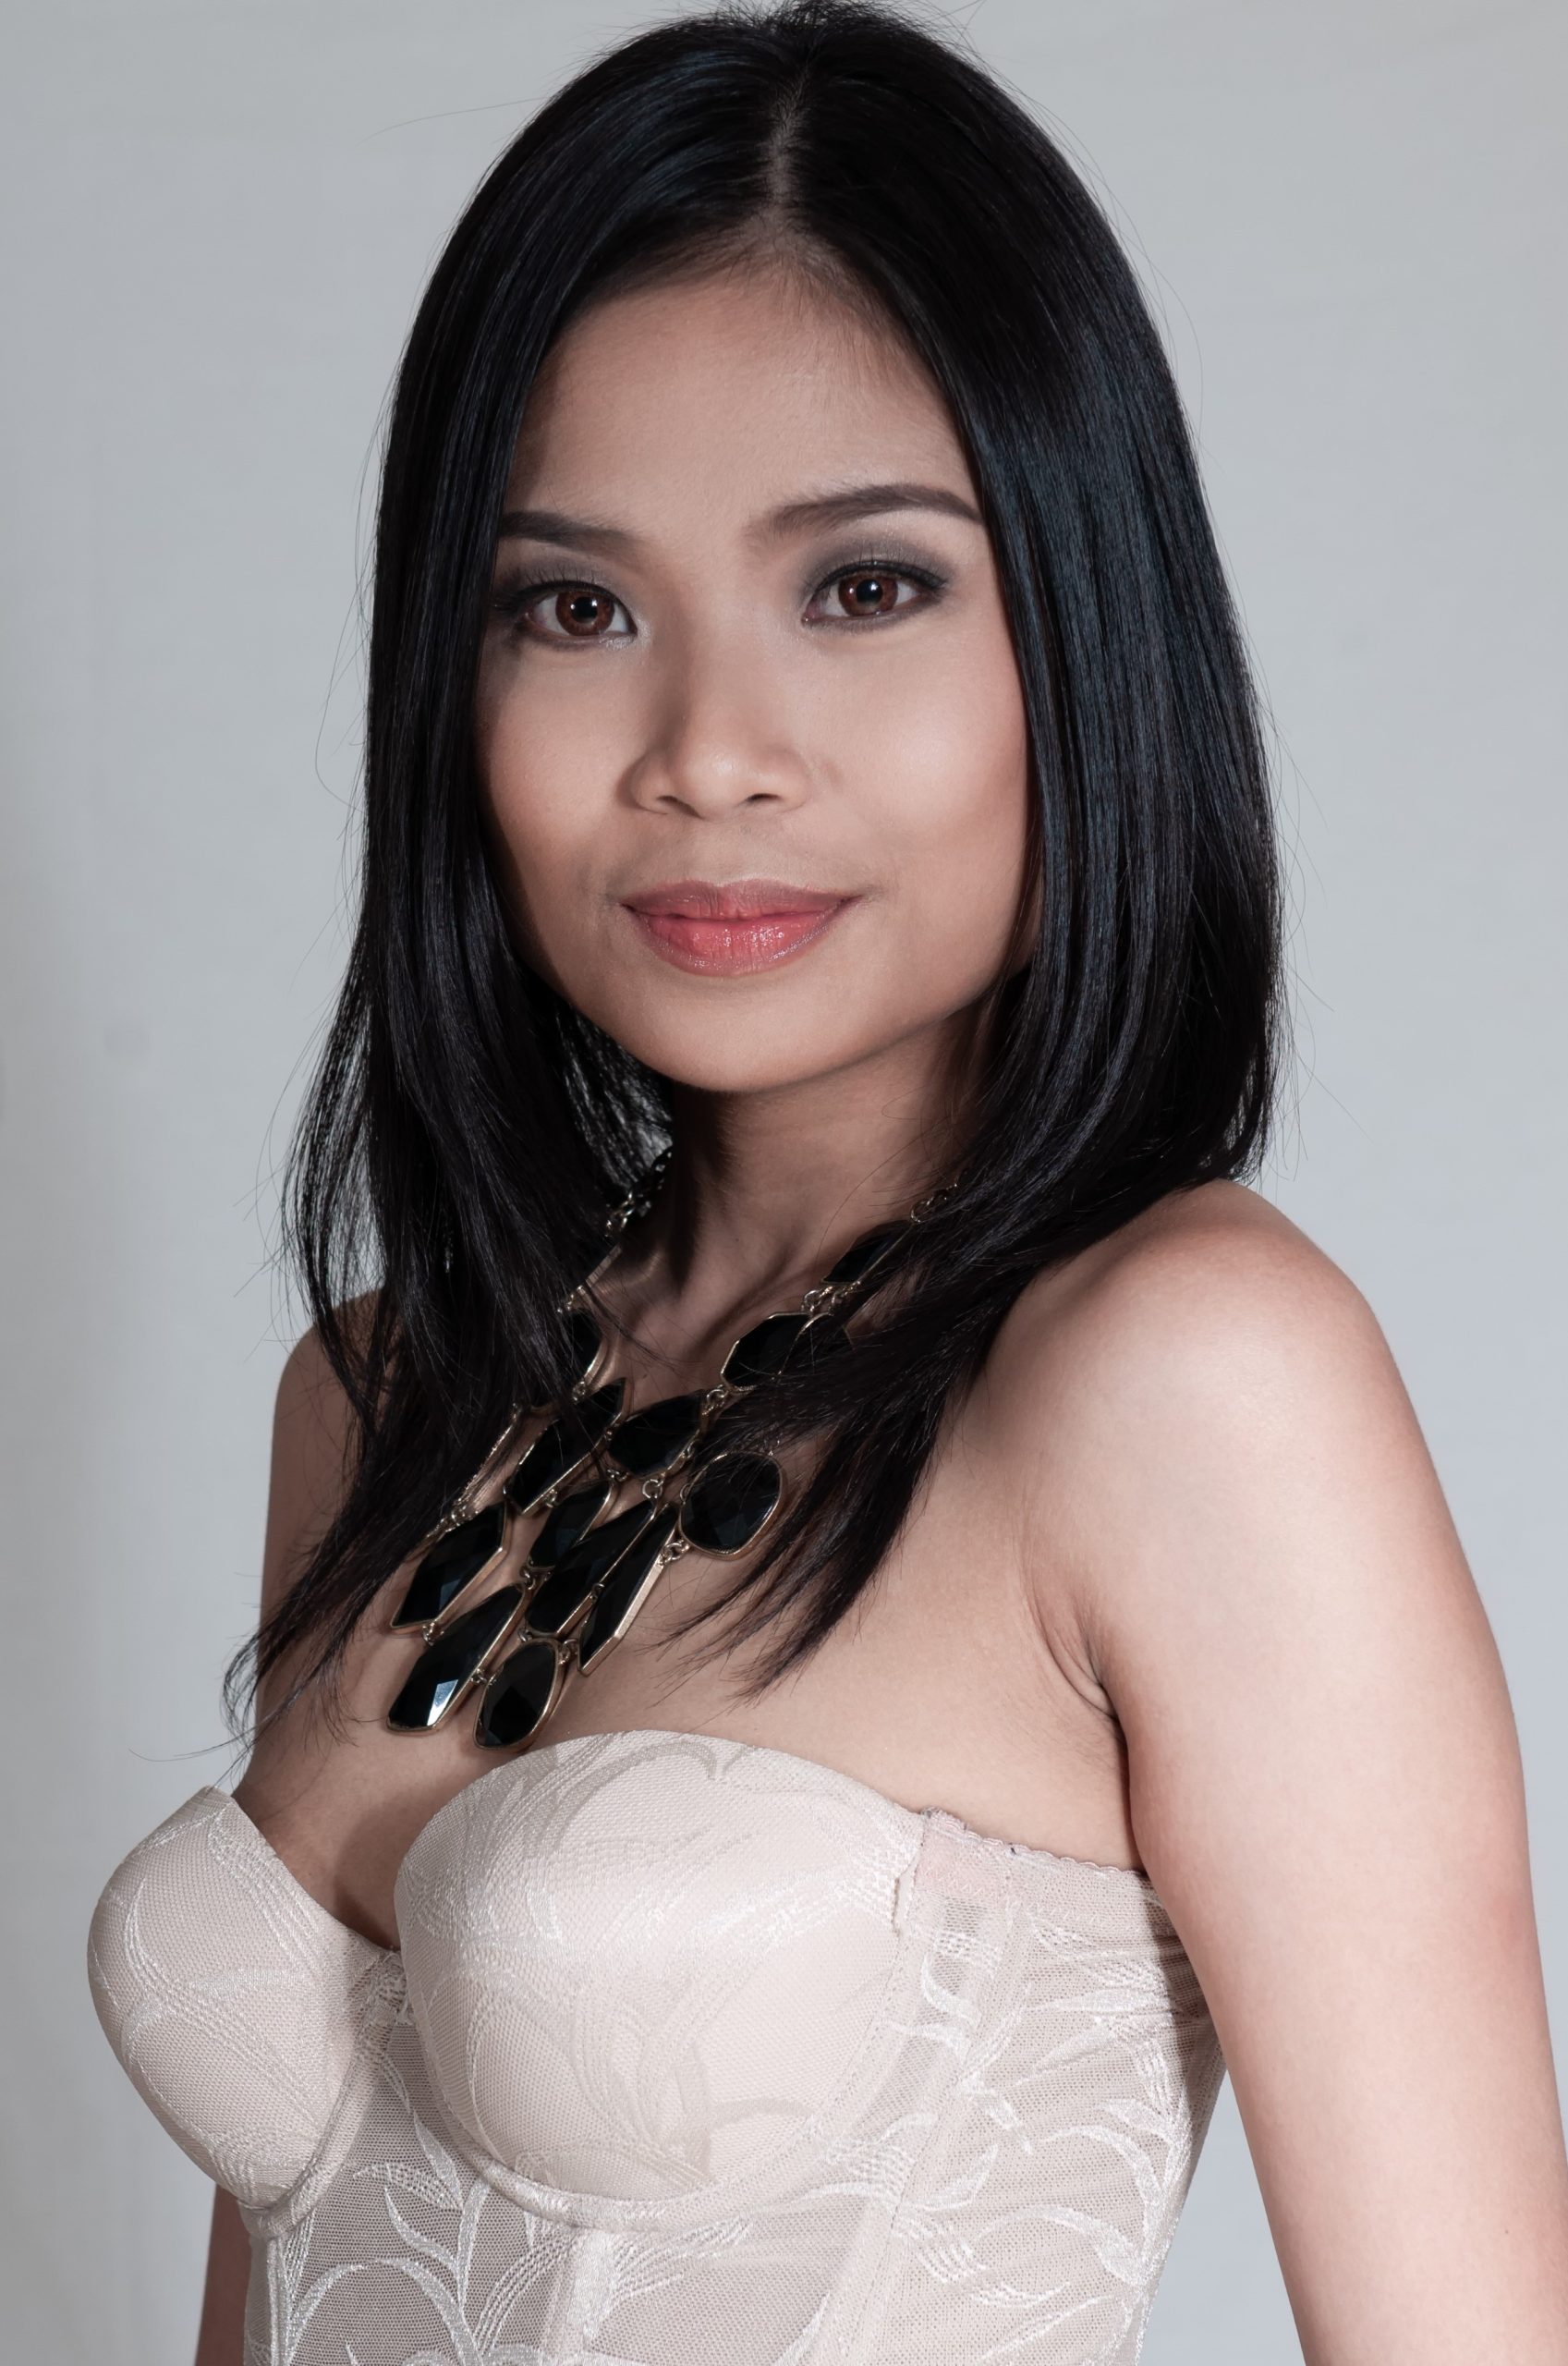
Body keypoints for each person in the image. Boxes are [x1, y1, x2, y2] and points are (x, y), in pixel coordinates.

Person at [86, 4, 1568, 2360]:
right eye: (575, 606)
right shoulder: (375, 1392)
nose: (710, 755)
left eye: (865, 587)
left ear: (1083, 633)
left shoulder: (1181, 1371)